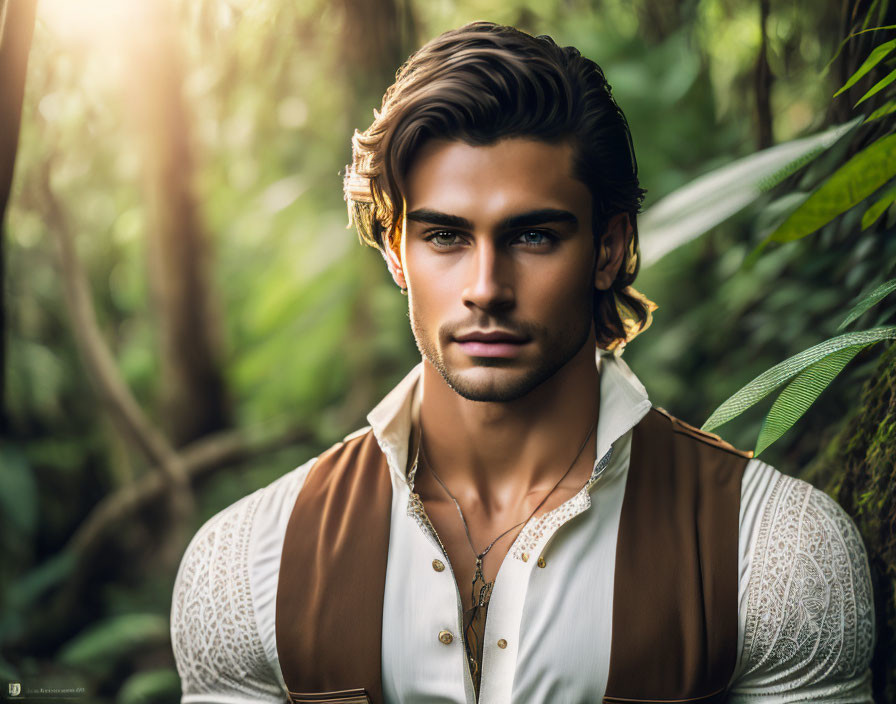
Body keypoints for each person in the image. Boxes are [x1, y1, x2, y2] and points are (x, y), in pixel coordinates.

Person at [170, 22, 875, 704]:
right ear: (395, 250)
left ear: (607, 248)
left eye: (533, 235)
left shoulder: (774, 548)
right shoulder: (249, 562)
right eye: (445, 235)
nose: (486, 288)